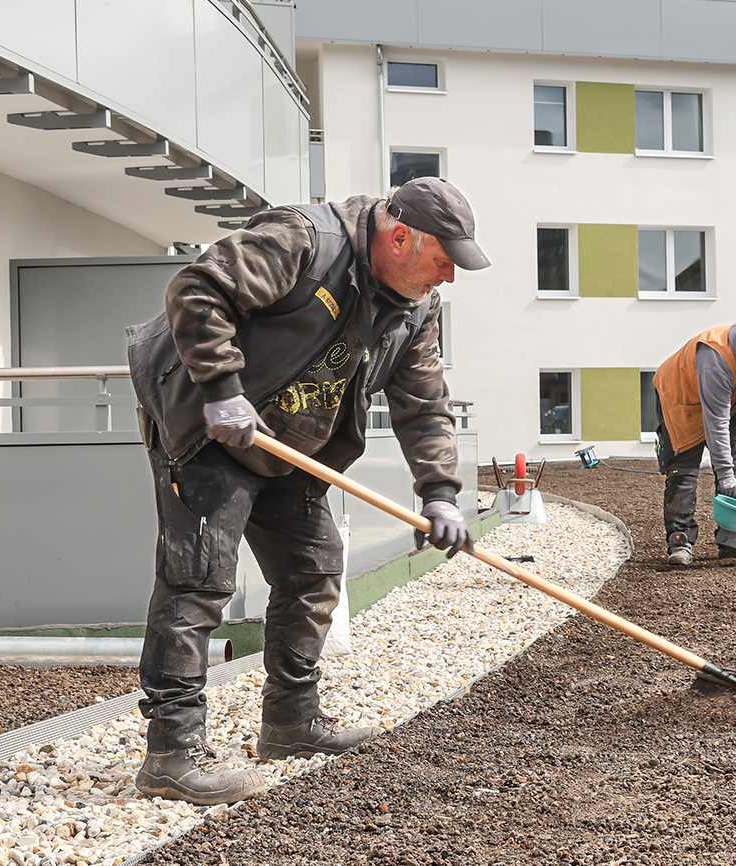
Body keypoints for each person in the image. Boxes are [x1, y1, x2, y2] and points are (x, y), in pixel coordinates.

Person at [125, 177, 490, 805]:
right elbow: (197, 288)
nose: (449, 279)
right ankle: (171, 753)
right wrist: (221, 389)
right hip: (210, 424)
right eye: (443, 262)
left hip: (291, 442)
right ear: (399, 238)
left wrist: (439, 493)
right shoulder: (304, 240)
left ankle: (291, 723)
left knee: (315, 570)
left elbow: (424, 404)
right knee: (199, 583)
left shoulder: (414, 307)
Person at [651, 318, 736, 565]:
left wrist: (731, 471)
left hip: (730, 400)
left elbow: (727, 418)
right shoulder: (715, 357)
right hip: (680, 398)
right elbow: (716, 422)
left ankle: (732, 539)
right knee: (683, 469)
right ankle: (680, 542)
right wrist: (724, 474)